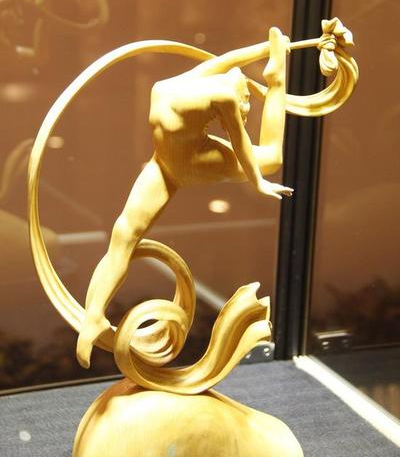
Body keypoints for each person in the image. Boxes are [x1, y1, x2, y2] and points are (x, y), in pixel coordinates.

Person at [77, 27, 293, 368]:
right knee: (270, 156)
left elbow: (229, 59)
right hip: (187, 164)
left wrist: (269, 47)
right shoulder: (224, 98)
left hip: (164, 160)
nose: (246, 110)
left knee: (123, 235)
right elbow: (240, 142)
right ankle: (277, 80)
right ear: (236, 96)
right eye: (247, 104)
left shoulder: (179, 83)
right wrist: (259, 182)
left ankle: (93, 315)